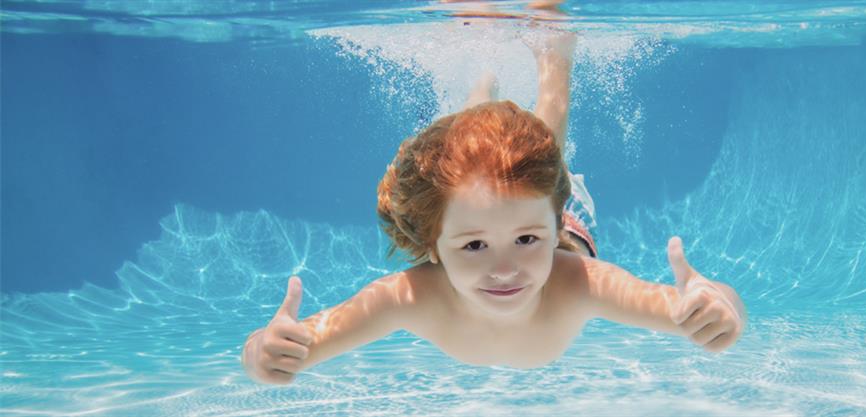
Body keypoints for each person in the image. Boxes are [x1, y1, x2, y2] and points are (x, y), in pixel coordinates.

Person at [241, 17, 747, 386]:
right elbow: (284, 344)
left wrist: (718, 309)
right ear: (433, 246)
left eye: (527, 240)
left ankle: (554, 55)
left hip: (565, 225)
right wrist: (265, 352)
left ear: (551, 227)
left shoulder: (578, 283)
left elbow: (685, 306)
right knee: (478, 163)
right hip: (526, 210)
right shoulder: (409, 297)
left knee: (540, 150)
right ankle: (492, 82)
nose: (504, 269)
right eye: (474, 246)